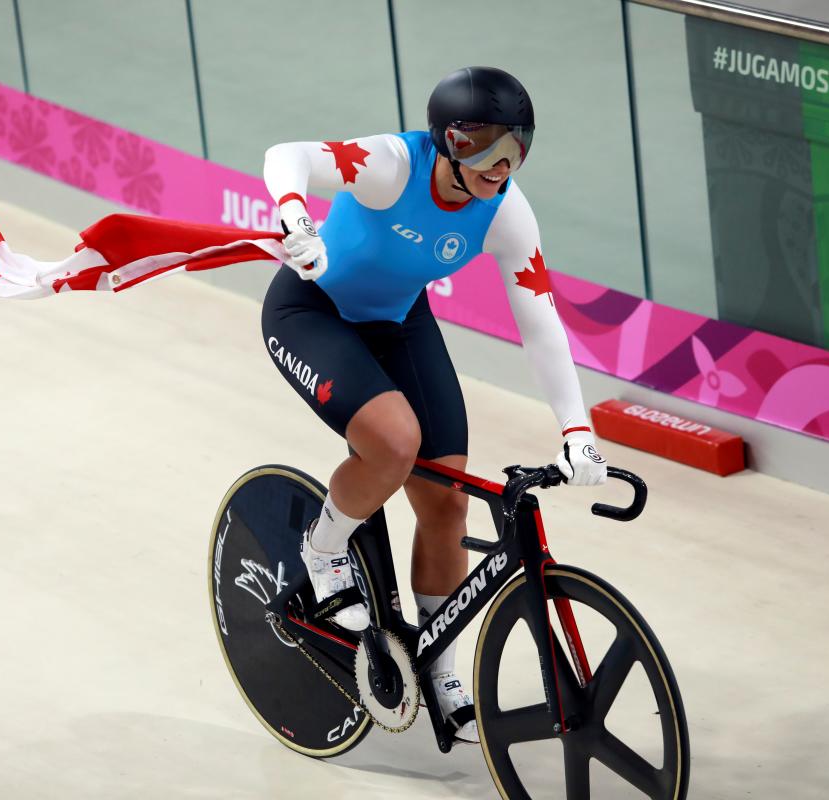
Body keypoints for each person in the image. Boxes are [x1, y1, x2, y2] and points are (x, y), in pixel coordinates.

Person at [260, 66, 607, 743]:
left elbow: (539, 321)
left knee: (446, 501)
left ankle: (442, 670)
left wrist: (576, 430)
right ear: (448, 140)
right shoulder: (391, 165)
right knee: (395, 442)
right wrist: (294, 215)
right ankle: (323, 550)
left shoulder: (506, 210)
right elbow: (288, 156)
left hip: (397, 322)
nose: (500, 166)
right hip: (312, 312)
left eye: (517, 149)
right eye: (484, 147)